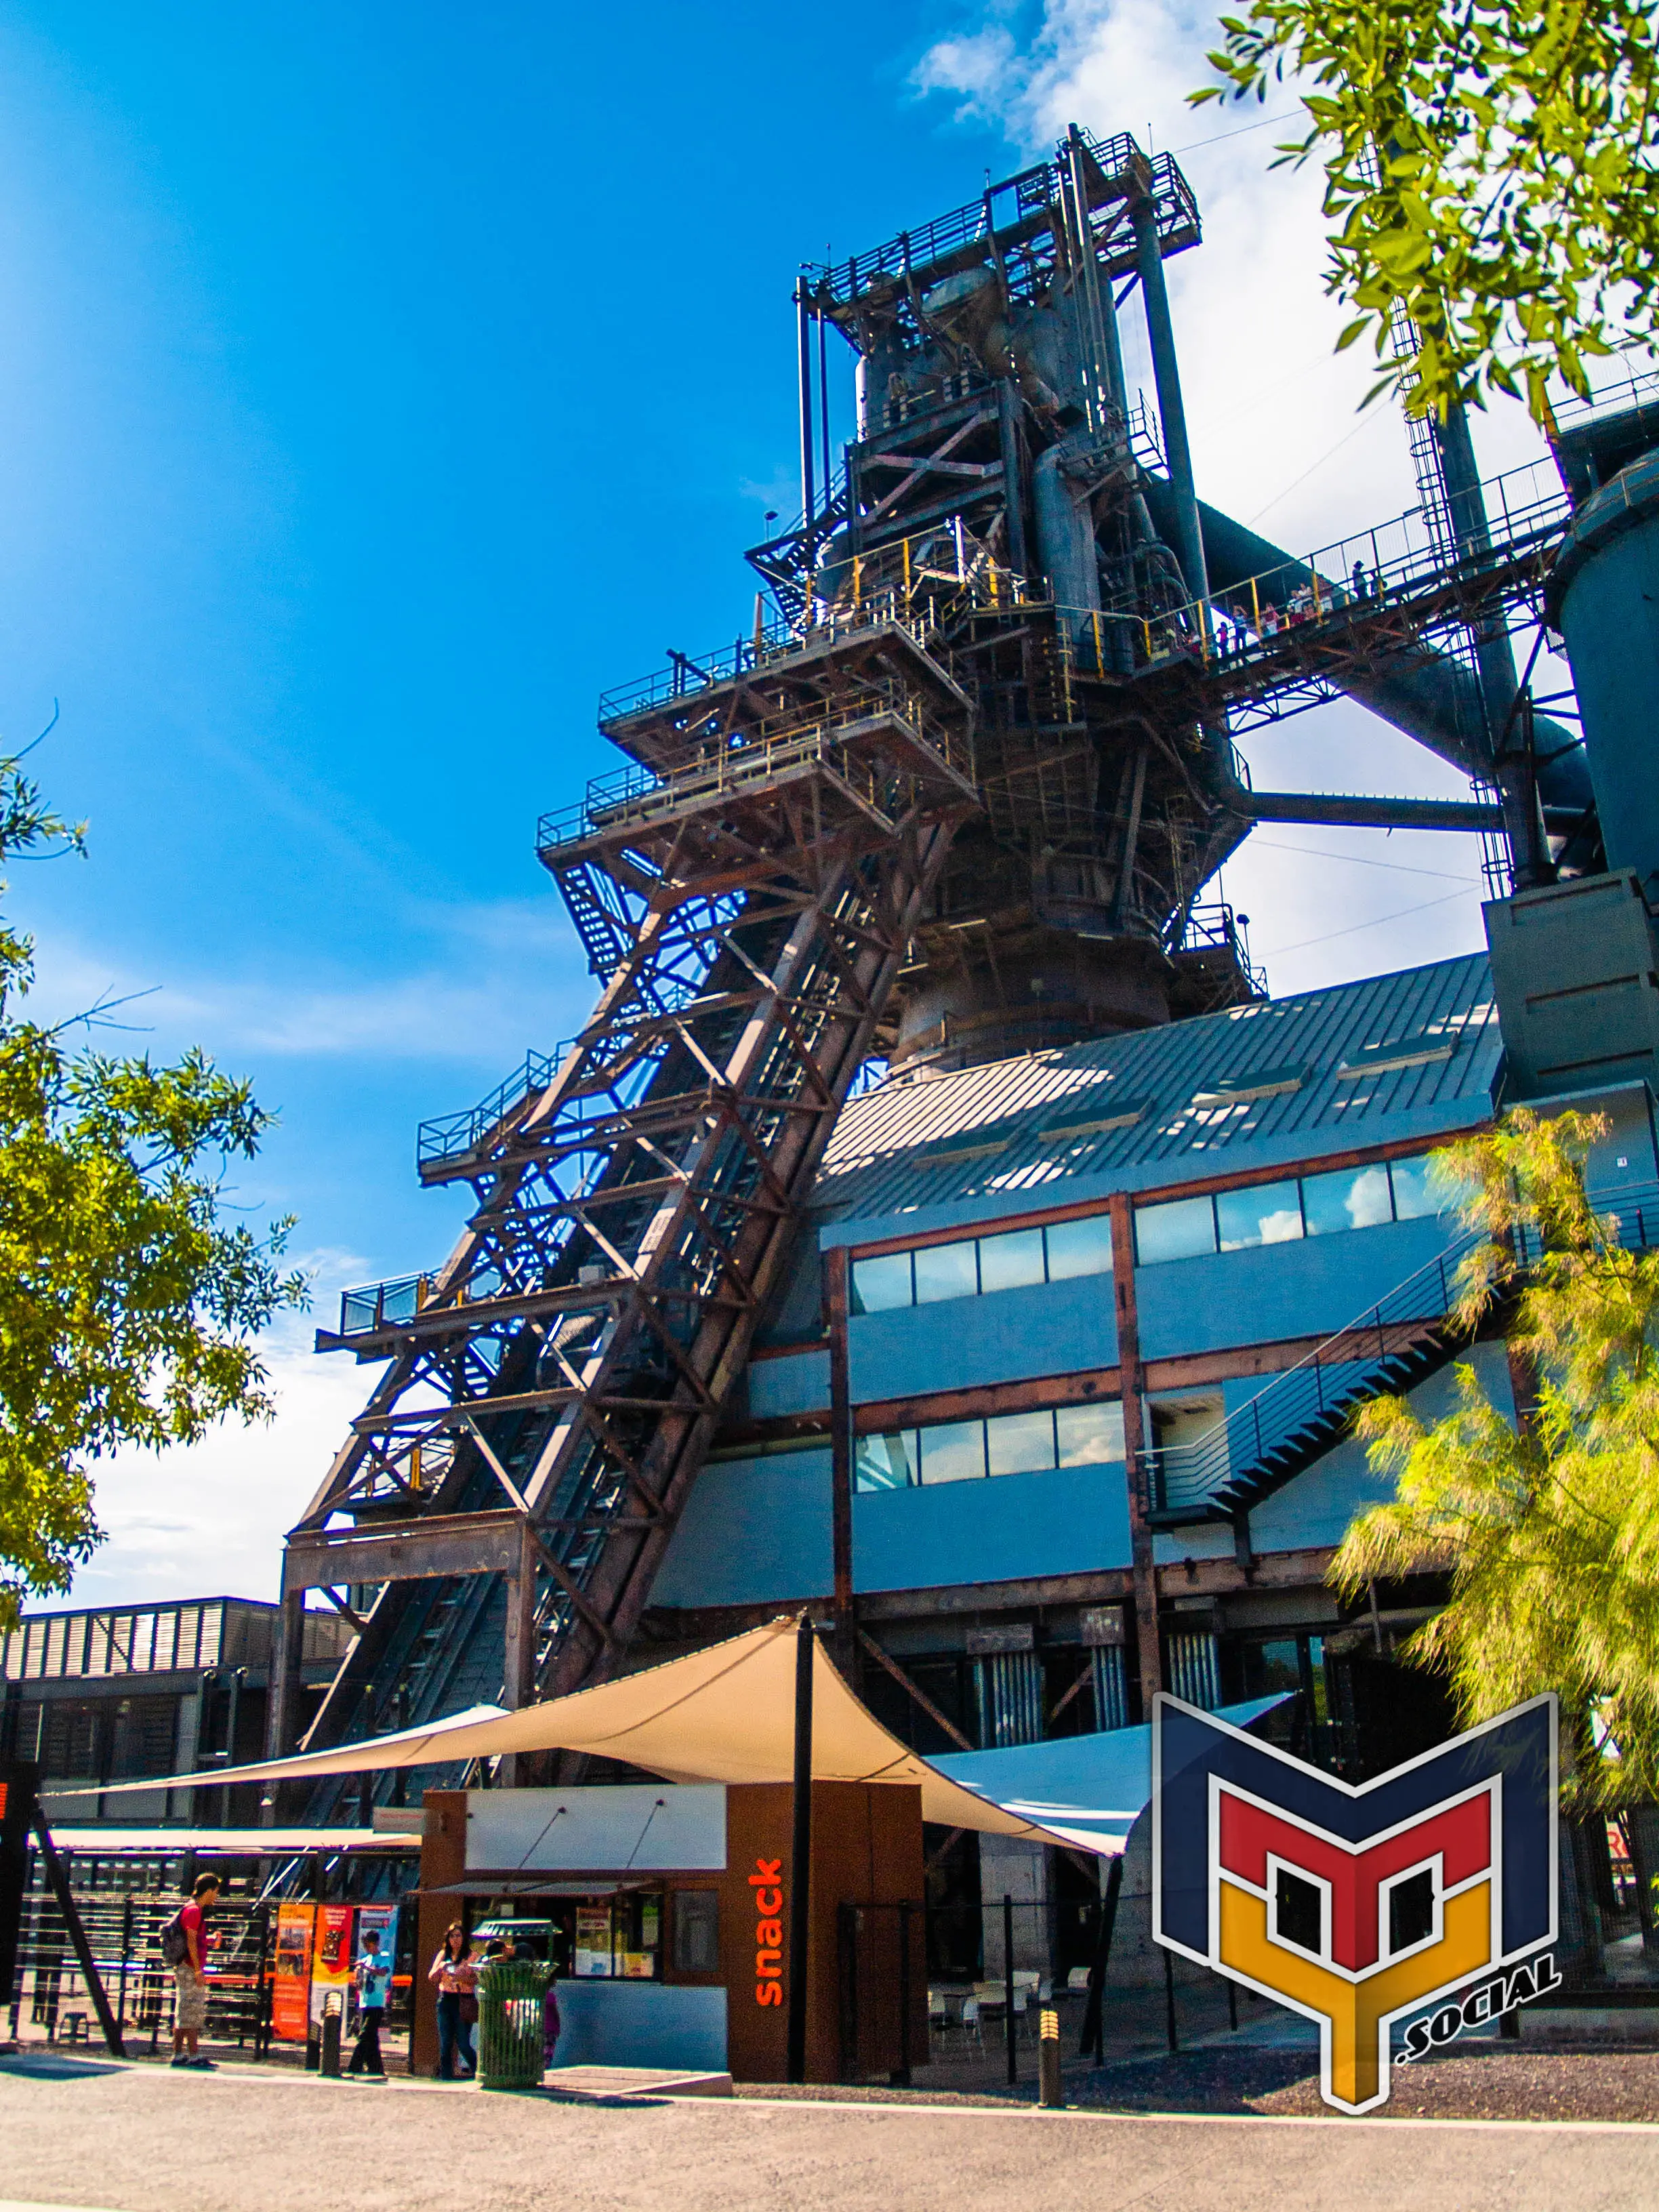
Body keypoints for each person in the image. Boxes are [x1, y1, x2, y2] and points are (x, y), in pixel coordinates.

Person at [171, 1872, 220, 2069]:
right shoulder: (194, 1911)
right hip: (190, 1967)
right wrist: (199, 1971)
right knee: (191, 2011)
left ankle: (179, 2054)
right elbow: (191, 1941)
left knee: (184, 2011)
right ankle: (193, 2054)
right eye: (215, 1891)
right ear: (208, 1891)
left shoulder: (192, 1910)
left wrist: (209, 1941)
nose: (216, 1896)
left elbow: (195, 1940)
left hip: (187, 1966)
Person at [428, 1923, 477, 2081]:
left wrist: (461, 1978)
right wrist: (442, 1967)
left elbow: (477, 1979)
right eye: (452, 1936)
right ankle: (446, 2076)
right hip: (445, 1999)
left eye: (458, 1936)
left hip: (463, 1999)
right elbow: (432, 1977)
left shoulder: (472, 1956)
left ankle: (478, 2070)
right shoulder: (444, 1954)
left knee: (463, 2043)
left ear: (464, 1938)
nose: (455, 1940)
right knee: (446, 2043)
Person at [348, 1927, 391, 2078]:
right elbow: (358, 1983)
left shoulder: (383, 1957)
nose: (367, 1947)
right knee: (372, 2038)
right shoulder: (364, 1958)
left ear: (375, 1944)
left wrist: (366, 1968)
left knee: (364, 2034)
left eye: (369, 1944)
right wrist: (358, 1974)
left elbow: (383, 1971)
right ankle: (376, 2068)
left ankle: (354, 2066)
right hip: (365, 2003)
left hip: (377, 2003)